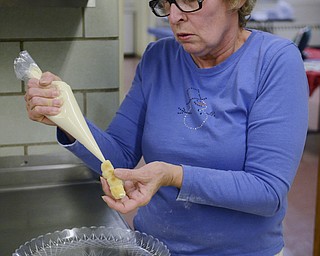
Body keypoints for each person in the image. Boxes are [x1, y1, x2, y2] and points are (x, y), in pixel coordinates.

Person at [24, 0, 309, 255]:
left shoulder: (274, 61)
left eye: (188, 1)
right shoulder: (158, 57)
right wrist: (67, 117)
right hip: (154, 248)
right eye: (165, 3)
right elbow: (119, 158)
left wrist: (173, 175)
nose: (173, 16)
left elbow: (267, 191)